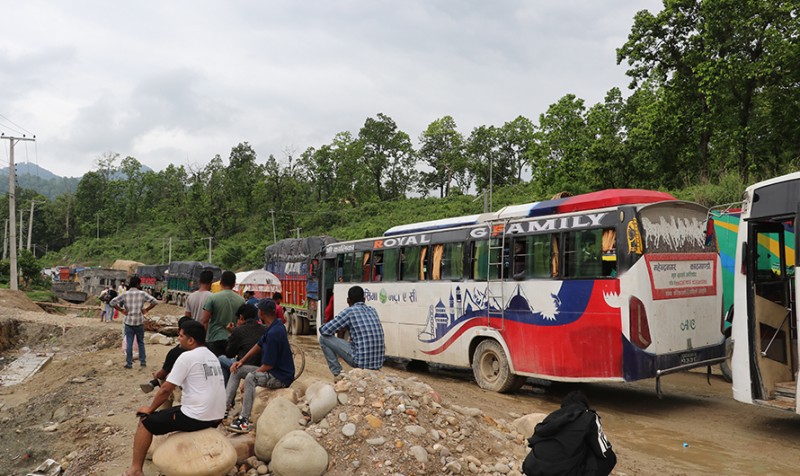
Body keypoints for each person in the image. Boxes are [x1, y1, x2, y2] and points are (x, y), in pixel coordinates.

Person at [121, 320, 225, 476]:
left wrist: (149, 410)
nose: (178, 339)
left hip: (197, 416)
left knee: (145, 421)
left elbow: (165, 389)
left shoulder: (187, 356)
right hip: (216, 416)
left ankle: (135, 470)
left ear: (191, 340)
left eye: (181, 336)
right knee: (172, 412)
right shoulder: (211, 356)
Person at [228, 298, 295, 433]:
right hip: (274, 371)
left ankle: (244, 419)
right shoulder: (275, 325)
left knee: (251, 378)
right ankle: (225, 408)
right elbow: (258, 345)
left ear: (261, 313)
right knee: (237, 370)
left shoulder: (274, 333)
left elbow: (268, 366)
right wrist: (241, 361)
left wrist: (250, 378)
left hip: (280, 376)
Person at [521, 390, 616, 476]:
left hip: (532, 468)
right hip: (560, 472)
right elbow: (604, 451)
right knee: (610, 458)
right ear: (584, 405)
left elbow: (534, 441)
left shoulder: (552, 417)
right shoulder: (589, 416)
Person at [318, 285, 385, 378]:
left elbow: (324, 330)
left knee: (323, 339)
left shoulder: (349, 312)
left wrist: (340, 328)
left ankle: (338, 373)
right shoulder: (373, 310)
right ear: (364, 299)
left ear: (348, 301)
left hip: (360, 362)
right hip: (378, 363)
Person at [110, 276, 159, 369]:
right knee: (141, 342)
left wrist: (121, 310)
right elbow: (155, 301)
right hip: (139, 322)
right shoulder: (142, 293)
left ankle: (129, 363)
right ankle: (143, 362)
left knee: (129, 342)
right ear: (137, 284)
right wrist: (146, 309)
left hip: (128, 321)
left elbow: (112, 302)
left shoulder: (125, 294)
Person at [140, 316, 192, 395]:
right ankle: (153, 383)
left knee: (165, 379)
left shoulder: (176, 352)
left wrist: (157, 375)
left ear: (179, 331)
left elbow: (162, 374)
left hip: (184, 387)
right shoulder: (204, 349)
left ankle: (154, 383)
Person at [218, 303, 266, 386]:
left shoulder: (238, 331)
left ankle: (227, 392)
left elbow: (230, 354)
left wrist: (231, 334)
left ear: (241, 317)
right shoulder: (265, 329)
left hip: (245, 366)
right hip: (262, 366)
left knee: (221, 359)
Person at [201, 270, 245, 356]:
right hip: (232, 339)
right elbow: (243, 322)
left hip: (214, 338)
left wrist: (202, 340)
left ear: (221, 283)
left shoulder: (213, 298)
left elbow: (204, 320)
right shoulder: (241, 300)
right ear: (234, 284)